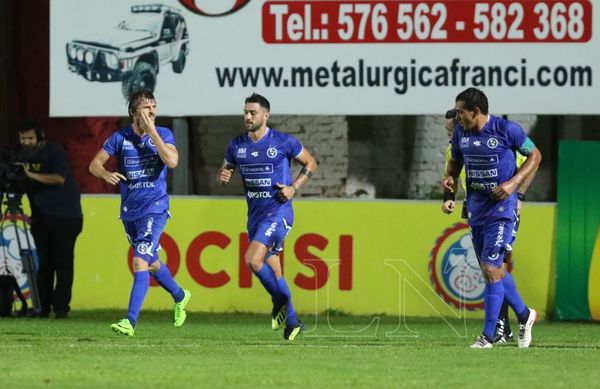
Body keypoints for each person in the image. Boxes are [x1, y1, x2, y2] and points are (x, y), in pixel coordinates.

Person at [441, 88, 542, 349]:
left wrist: (513, 184)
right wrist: (450, 180)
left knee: (490, 266)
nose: (458, 116)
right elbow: (455, 161)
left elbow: (535, 155)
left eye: (461, 112)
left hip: (502, 209)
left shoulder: (508, 130)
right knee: (493, 270)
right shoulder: (461, 133)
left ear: (476, 112)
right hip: (476, 209)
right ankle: (524, 315)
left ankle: (488, 336)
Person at [88, 90, 190, 336]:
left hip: (155, 208)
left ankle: (130, 321)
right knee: (152, 262)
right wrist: (105, 174)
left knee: (139, 260)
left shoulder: (163, 134)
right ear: (133, 113)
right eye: (146, 108)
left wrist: (152, 132)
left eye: (154, 106)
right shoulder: (120, 138)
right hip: (130, 212)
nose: (152, 111)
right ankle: (180, 295)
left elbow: (173, 162)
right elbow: (94, 165)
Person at [217, 93, 318, 341]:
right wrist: (224, 174)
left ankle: (280, 300)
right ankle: (292, 323)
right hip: (255, 216)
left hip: (279, 212)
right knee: (276, 273)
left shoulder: (283, 142)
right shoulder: (236, 145)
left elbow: (311, 163)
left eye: (252, 112)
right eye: (245, 112)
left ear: (266, 115)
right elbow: (227, 166)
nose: (247, 117)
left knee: (252, 260)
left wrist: (294, 187)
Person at [16, 119, 83, 319]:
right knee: (44, 263)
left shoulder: (54, 151)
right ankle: (42, 307)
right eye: (22, 138)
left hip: (66, 216)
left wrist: (29, 175)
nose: (26, 142)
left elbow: (59, 178)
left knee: (63, 262)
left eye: (30, 138)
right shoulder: (21, 156)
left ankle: (61, 307)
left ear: (40, 137)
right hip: (41, 216)